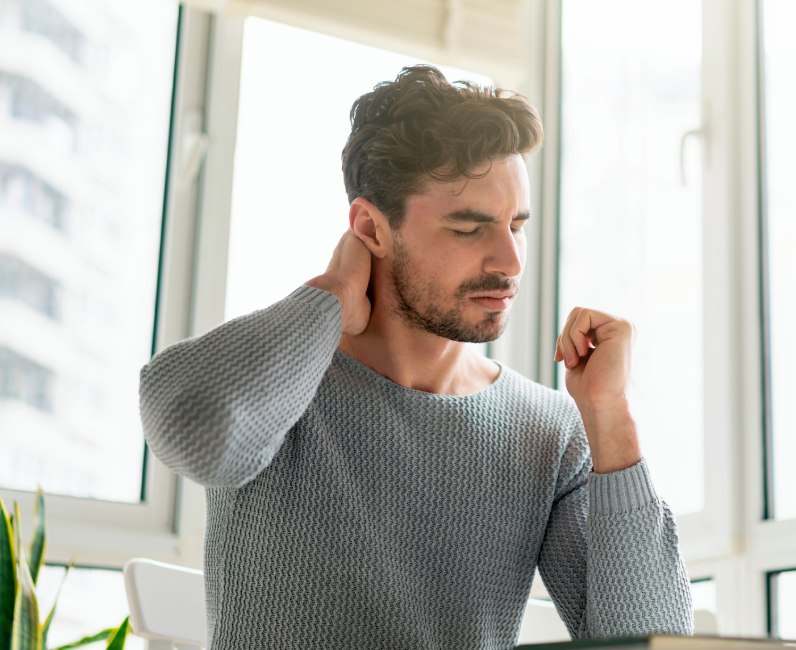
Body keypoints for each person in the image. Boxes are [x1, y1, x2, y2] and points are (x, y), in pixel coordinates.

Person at [139, 65, 693, 649]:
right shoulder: (275, 387)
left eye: (516, 226)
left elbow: (648, 642)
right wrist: (331, 296)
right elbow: (191, 432)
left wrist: (610, 416)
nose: (510, 261)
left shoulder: (548, 434)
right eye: (469, 228)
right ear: (371, 228)